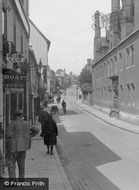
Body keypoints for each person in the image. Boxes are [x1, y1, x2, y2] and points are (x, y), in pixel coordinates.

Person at [6, 109, 39, 180]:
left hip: (13, 147)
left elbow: (8, 135)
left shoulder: (11, 124)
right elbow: (36, 130)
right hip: (23, 146)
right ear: (22, 116)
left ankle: (13, 181)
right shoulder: (27, 123)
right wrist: (28, 136)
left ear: (15, 116)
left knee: (11, 164)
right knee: (21, 164)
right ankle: (21, 179)